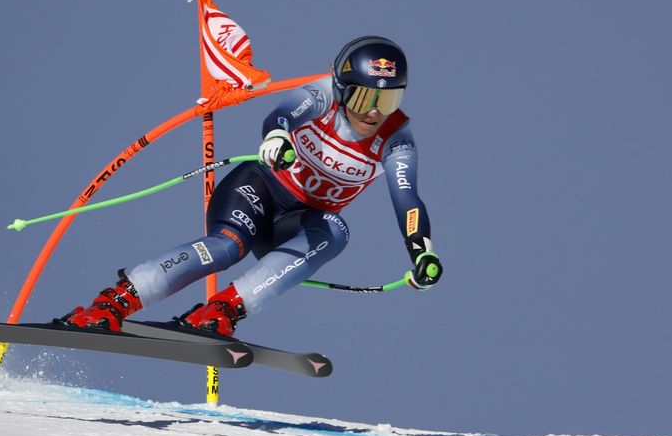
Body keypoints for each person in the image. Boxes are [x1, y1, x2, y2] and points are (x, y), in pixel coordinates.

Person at [55, 35, 443, 337]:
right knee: (225, 247)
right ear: (342, 89)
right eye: (364, 96)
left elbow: (407, 197)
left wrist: (421, 251)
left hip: (298, 226)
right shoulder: (322, 94)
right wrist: (276, 139)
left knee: (337, 231)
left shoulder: (397, 139)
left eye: (388, 99)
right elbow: (282, 115)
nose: (375, 111)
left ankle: (222, 310)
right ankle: (113, 303)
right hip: (258, 191)